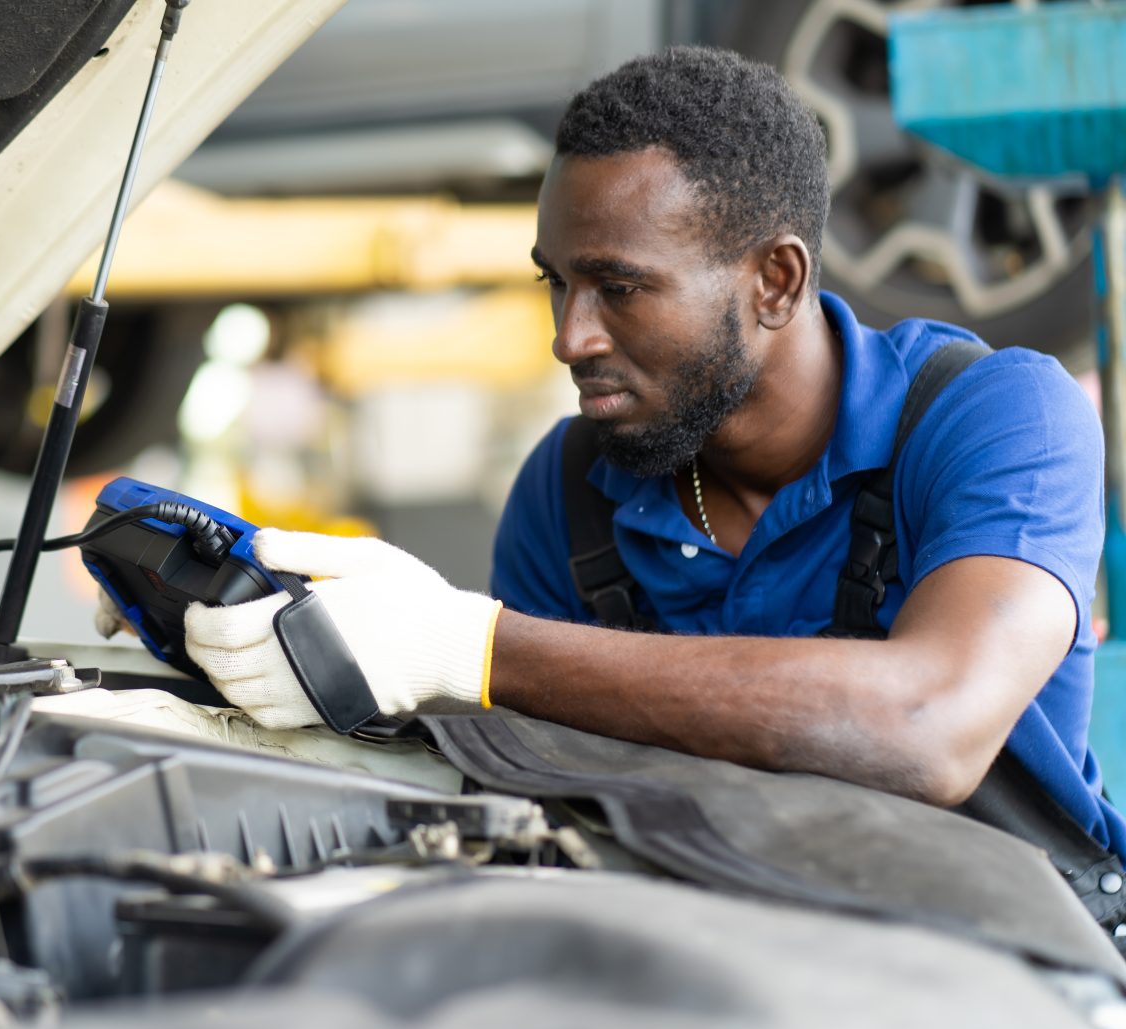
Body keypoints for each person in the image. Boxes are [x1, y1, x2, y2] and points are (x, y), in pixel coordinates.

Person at [179, 46, 1122, 858]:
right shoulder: (569, 490)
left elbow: (931, 727)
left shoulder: (999, 419)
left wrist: (464, 644)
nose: (570, 336)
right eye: (557, 284)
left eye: (618, 286)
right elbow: (533, 809)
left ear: (775, 281)